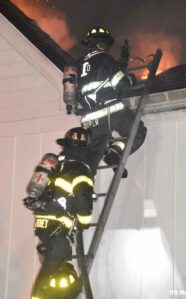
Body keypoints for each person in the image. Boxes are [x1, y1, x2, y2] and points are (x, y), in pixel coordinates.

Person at [66, 26, 147, 177]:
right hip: (111, 111)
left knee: (91, 160)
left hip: (89, 118)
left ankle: (84, 189)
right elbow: (121, 83)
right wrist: (130, 79)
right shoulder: (104, 58)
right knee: (138, 131)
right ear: (102, 44)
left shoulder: (77, 66)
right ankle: (115, 152)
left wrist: (123, 61)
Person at [23, 127, 94, 299]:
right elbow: (83, 200)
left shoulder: (57, 165)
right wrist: (84, 222)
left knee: (58, 272)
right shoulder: (80, 170)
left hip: (43, 226)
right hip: (58, 230)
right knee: (50, 273)